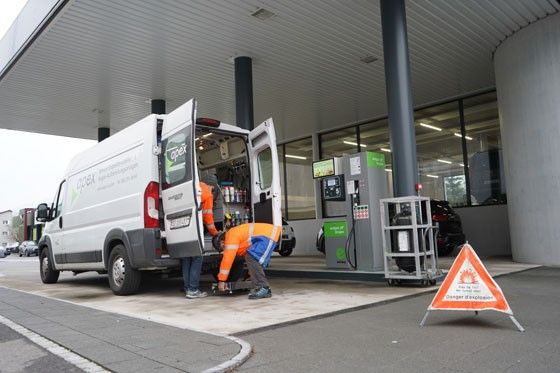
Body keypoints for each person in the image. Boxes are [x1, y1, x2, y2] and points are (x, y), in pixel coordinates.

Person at [214, 223, 281, 299]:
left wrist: (222, 280)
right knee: (250, 257)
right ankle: (260, 287)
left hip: (268, 235)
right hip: (268, 234)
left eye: (222, 248)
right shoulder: (233, 234)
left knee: (251, 257)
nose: (224, 250)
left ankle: (264, 288)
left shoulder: (230, 237)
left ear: (222, 242)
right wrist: (250, 274)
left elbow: (227, 259)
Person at [181, 181, 218, 299]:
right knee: (197, 256)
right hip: (194, 227)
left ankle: (187, 287)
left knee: (186, 258)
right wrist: (216, 234)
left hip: (182, 226)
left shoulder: (197, 184)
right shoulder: (208, 195)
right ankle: (193, 289)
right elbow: (208, 219)